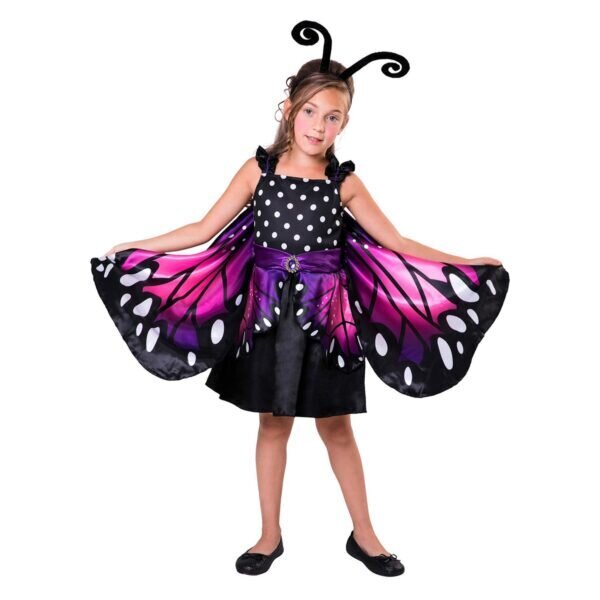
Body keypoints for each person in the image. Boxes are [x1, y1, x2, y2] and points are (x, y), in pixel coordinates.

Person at [90, 20, 509, 577]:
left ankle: (365, 535)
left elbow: (398, 243)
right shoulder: (257, 172)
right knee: (272, 424)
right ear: (288, 108)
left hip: (328, 325)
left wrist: (465, 262)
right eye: (310, 111)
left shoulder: (344, 184)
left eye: (332, 116)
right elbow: (203, 229)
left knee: (337, 427)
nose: (319, 125)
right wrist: (139, 245)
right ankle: (269, 535)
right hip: (265, 321)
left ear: (345, 123)